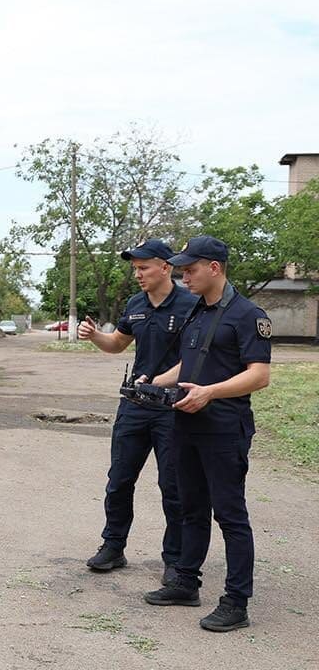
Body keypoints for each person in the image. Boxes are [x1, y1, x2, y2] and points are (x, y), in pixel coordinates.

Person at [140, 236, 271, 632]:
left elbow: (259, 375)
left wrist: (210, 392)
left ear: (214, 268)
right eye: (182, 270)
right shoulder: (197, 311)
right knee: (190, 508)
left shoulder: (248, 315)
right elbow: (188, 364)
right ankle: (185, 582)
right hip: (186, 425)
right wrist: (153, 382)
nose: (184, 277)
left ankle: (237, 601)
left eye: (190, 269)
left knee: (230, 515)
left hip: (224, 430)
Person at [79, 239, 197, 585]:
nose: (138, 274)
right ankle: (113, 546)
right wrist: (94, 336)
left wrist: (162, 382)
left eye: (143, 268)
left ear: (166, 267)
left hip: (172, 407)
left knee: (173, 486)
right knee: (119, 480)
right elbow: (118, 343)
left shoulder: (192, 304)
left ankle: (175, 560)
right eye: (135, 269)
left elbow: (197, 356)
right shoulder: (135, 304)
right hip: (135, 406)